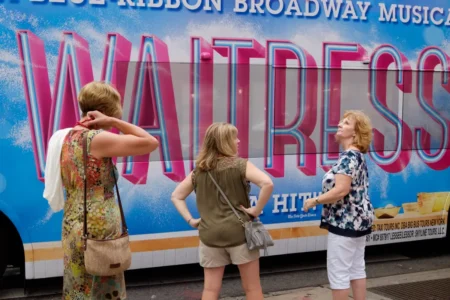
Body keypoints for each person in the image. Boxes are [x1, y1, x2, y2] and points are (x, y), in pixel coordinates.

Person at [60, 81, 159, 299]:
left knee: (79, 286)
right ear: (103, 111)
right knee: (102, 287)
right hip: (98, 225)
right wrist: (114, 122)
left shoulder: (67, 137)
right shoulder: (97, 139)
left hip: (73, 221)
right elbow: (151, 142)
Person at [171, 122, 274, 300]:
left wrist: (191, 220)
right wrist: (256, 210)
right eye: (234, 137)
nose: (238, 140)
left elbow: (176, 196)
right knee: (252, 288)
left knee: (210, 290)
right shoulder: (241, 165)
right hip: (239, 234)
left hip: (209, 235)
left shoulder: (199, 171)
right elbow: (267, 183)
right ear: (224, 142)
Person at [303, 110, 374, 300]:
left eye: (346, 123)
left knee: (339, 273)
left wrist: (314, 200)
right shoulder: (357, 156)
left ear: (355, 133)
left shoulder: (348, 157)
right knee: (357, 268)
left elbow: (341, 190)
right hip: (359, 221)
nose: (340, 124)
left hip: (344, 222)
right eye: (341, 121)